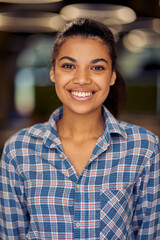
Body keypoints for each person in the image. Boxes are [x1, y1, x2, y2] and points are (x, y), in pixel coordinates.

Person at [0, 18, 159, 240]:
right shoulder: (18, 151)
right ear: (53, 72)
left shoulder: (144, 148)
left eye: (97, 67)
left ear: (112, 75)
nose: (82, 79)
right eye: (68, 66)